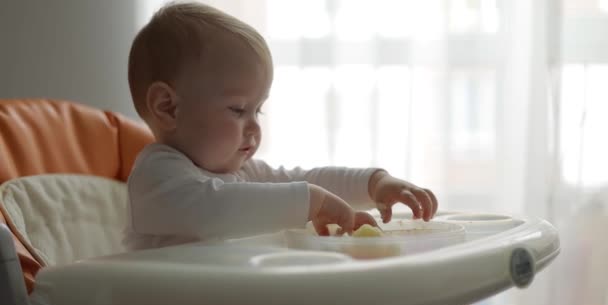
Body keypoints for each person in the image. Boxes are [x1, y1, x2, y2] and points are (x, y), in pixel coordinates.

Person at [123, 1, 438, 251]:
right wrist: (311, 202)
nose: (254, 127)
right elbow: (214, 208)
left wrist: (374, 184)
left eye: (258, 110)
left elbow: (305, 179)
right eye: (238, 109)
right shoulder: (156, 178)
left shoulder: (245, 174)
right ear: (168, 107)